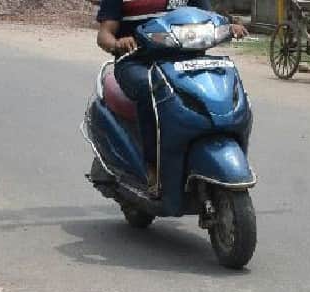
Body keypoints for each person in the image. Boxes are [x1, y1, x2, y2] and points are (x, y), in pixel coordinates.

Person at [96, 0, 247, 190]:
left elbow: (207, 17)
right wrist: (118, 43)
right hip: (138, 63)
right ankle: (152, 165)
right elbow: (104, 35)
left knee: (227, 83)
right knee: (150, 87)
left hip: (188, 60)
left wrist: (229, 26)